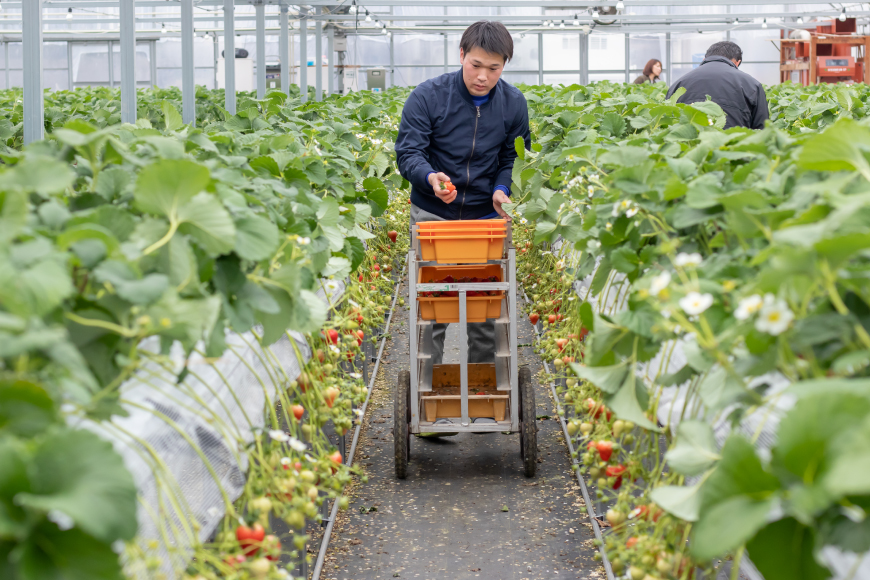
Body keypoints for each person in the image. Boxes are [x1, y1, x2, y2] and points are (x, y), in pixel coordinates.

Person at [395, 20, 531, 365]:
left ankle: (483, 380)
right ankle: (428, 381)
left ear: (504, 65)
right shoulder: (428, 96)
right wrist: (431, 178)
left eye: (493, 68)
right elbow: (409, 153)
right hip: (433, 215)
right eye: (475, 65)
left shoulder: (514, 103)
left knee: (484, 305)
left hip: (484, 218)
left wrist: (501, 189)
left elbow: (513, 157)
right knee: (432, 304)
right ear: (461, 55)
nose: (483, 76)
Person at [665, 41, 769, 130]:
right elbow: (761, 129)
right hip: (735, 145)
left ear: (704, 59)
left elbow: (668, 124)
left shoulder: (679, 84)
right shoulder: (752, 85)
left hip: (691, 146)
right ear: (737, 63)